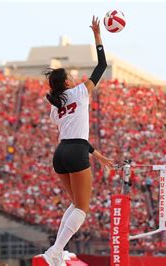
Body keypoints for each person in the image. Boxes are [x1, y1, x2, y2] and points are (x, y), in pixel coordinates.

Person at [42, 16, 113, 266]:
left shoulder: (55, 106)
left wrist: (97, 154)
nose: (74, 78)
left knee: (75, 204)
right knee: (82, 208)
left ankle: (57, 251)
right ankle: (56, 249)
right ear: (67, 83)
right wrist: (97, 35)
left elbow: (73, 134)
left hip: (61, 153)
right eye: (70, 76)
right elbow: (102, 65)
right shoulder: (80, 91)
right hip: (74, 151)